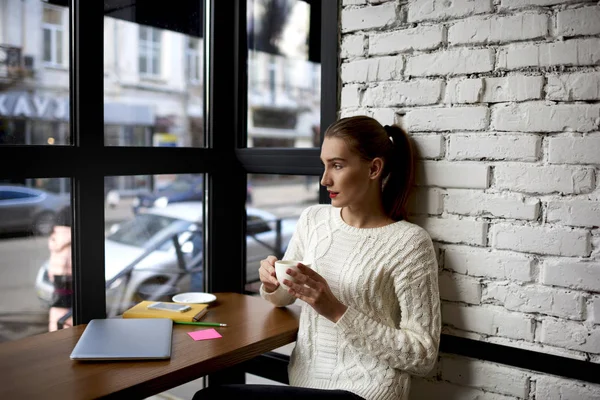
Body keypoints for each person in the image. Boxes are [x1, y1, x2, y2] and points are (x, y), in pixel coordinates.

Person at [193, 115, 441, 400]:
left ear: (374, 168)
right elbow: (285, 297)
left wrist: (334, 309)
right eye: (324, 165)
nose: (325, 179)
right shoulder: (314, 219)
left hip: (365, 391)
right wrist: (273, 283)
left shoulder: (409, 242)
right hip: (305, 381)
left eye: (337, 165)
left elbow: (423, 356)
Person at [47, 205, 73, 332]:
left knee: (57, 313)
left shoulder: (55, 236)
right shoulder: (73, 238)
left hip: (58, 283)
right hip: (69, 283)